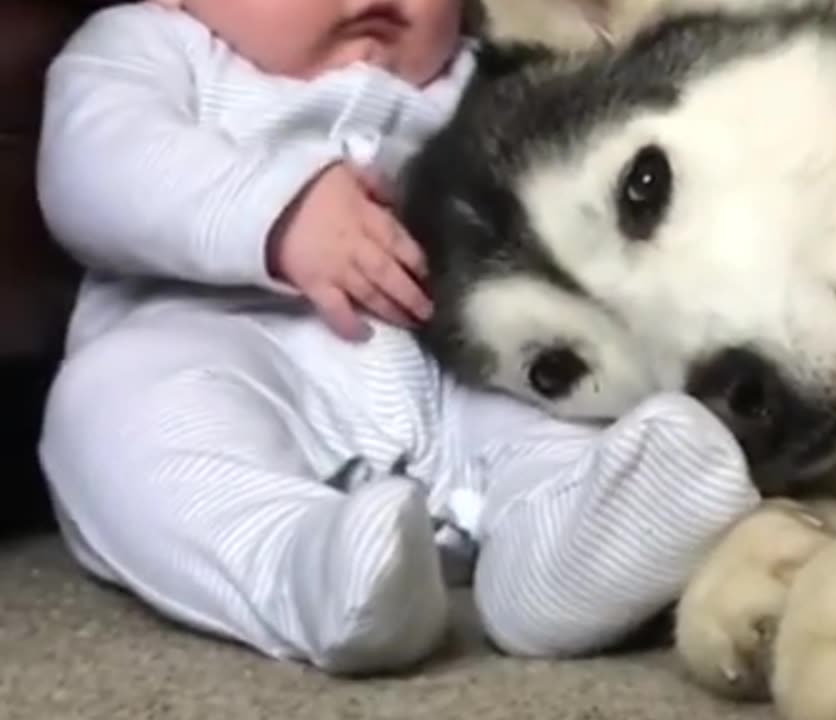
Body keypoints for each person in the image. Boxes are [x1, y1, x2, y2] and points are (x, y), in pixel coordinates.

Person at [35, 0, 760, 675]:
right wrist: (276, 213)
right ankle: (306, 568)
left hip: (448, 376)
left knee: (550, 419)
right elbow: (94, 165)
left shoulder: (479, 78)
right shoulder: (149, 49)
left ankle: (563, 552)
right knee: (108, 413)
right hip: (218, 348)